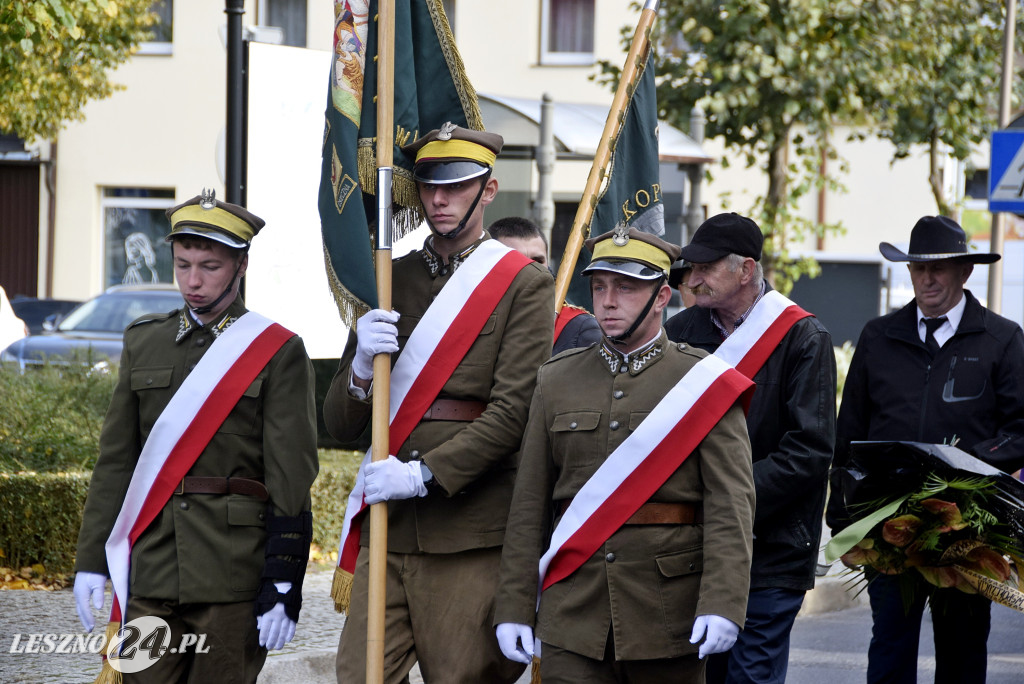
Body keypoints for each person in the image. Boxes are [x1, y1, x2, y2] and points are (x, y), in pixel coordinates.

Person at [325, 123, 554, 684]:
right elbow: (336, 422)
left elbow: (513, 413)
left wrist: (424, 475)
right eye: (429, 186)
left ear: (489, 190)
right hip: (392, 528)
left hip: (469, 532)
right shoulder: (389, 277)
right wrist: (358, 370)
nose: (439, 199)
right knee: (359, 677)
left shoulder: (522, 285)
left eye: (457, 186)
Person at [73, 190, 319, 683]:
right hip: (153, 567)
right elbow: (117, 462)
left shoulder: (277, 351)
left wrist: (283, 581)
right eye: (183, 264)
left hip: (233, 574)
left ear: (241, 265)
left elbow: (291, 477)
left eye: (209, 265)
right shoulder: (144, 340)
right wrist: (91, 560)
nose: (193, 280)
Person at [494, 225, 756, 683]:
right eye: (599, 287)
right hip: (573, 611)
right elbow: (529, 505)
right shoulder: (555, 379)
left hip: (668, 612)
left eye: (626, 287)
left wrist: (723, 602)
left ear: (661, 297)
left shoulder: (703, 382)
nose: (608, 301)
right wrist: (514, 605)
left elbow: (730, 508)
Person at [827, 215, 1024, 684]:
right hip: (887, 526)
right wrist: (843, 517)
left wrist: (966, 466)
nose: (926, 279)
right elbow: (848, 433)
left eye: (939, 268)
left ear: (965, 272)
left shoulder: (1002, 338)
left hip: (968, 528)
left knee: (962, 646)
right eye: (917, 268)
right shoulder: (879, 336)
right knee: (890, 646)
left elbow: (1020, 428)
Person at [664, 212, 836, 684]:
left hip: (771, 550)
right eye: (690, 268)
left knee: (750, 676)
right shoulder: (680, 334)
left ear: (745, 270)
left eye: (705, 268)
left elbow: (810, 450)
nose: (692, 280)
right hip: (694, 545)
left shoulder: (804, 337)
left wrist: (726, 496)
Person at [489, 215, 603, 355]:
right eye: (517, 261)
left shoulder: (579, 329)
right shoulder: (470, 317)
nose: (531, 271)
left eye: (538, 261)